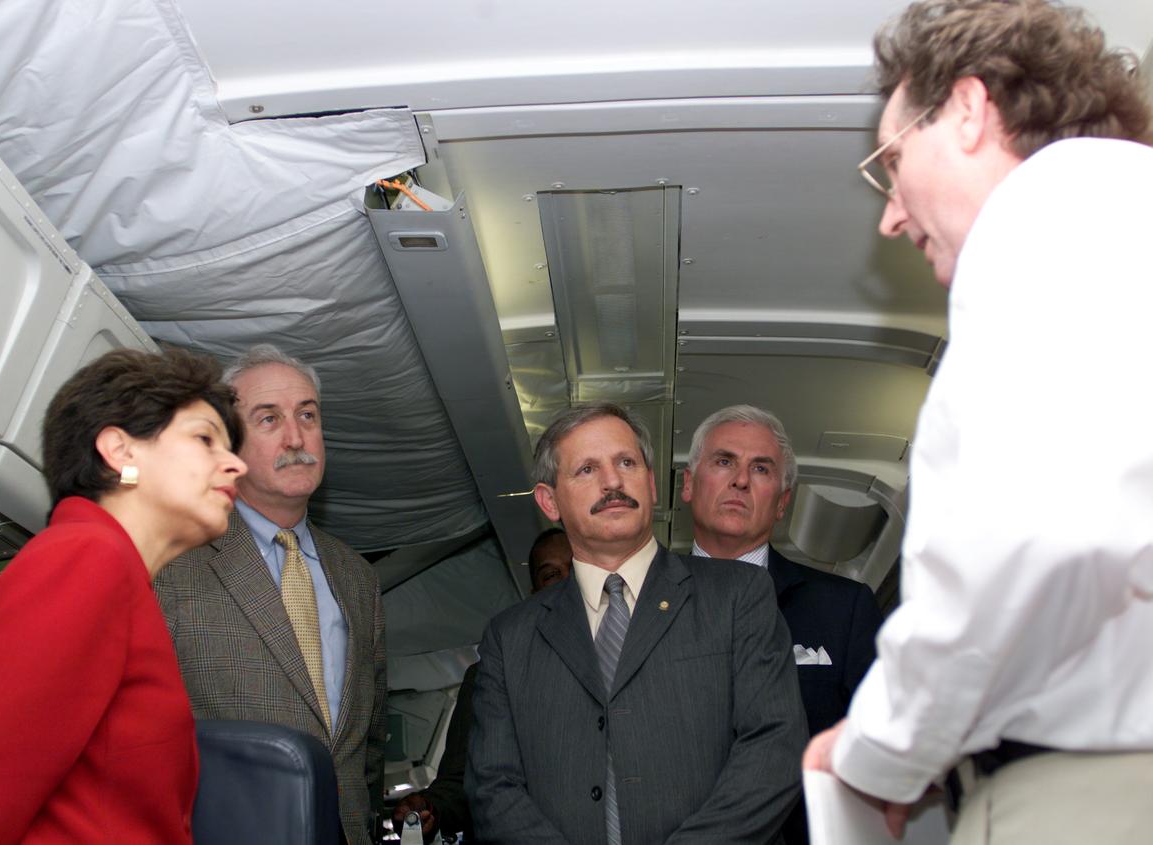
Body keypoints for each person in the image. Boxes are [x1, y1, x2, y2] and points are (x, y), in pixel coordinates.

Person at [803, 2, 1153, 843]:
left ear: (967, 109)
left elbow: (1030, 541)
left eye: (891, 162)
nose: (890, 215)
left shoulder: (1046, 222)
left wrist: (878, 748)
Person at [0, 348, 247, 843]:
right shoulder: (87, 557)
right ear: (120, 451)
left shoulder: (110, 572)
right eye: (205, 439)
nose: (236, 465)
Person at [467, 402, 806, 844]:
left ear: (651, 483)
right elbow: (493, 786)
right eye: (587, 469)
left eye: (626, 463)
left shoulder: (738, 595)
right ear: (550, 501)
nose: (612, 482)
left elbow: (774, 746)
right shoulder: (510, 638)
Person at [155, 343, 386, 845]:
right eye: (269, 419)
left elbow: (368, 740)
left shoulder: (356, 576)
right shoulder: (171, 564)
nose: (296, 437)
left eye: (308, 415)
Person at [683, 405, 882, 844]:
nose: (740, 480)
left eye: (761, 469)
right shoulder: (637, 602)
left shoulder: (843, 608)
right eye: (724, 461)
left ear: (782, 503)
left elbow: (880, 751)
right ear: (689, 484)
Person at [392, 528, 575, 843]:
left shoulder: (633, 668)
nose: (567, 582)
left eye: (577, 569)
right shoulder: (490, 676)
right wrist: (431, 807)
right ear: (535, 594)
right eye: (551, 575)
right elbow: (461, 782)